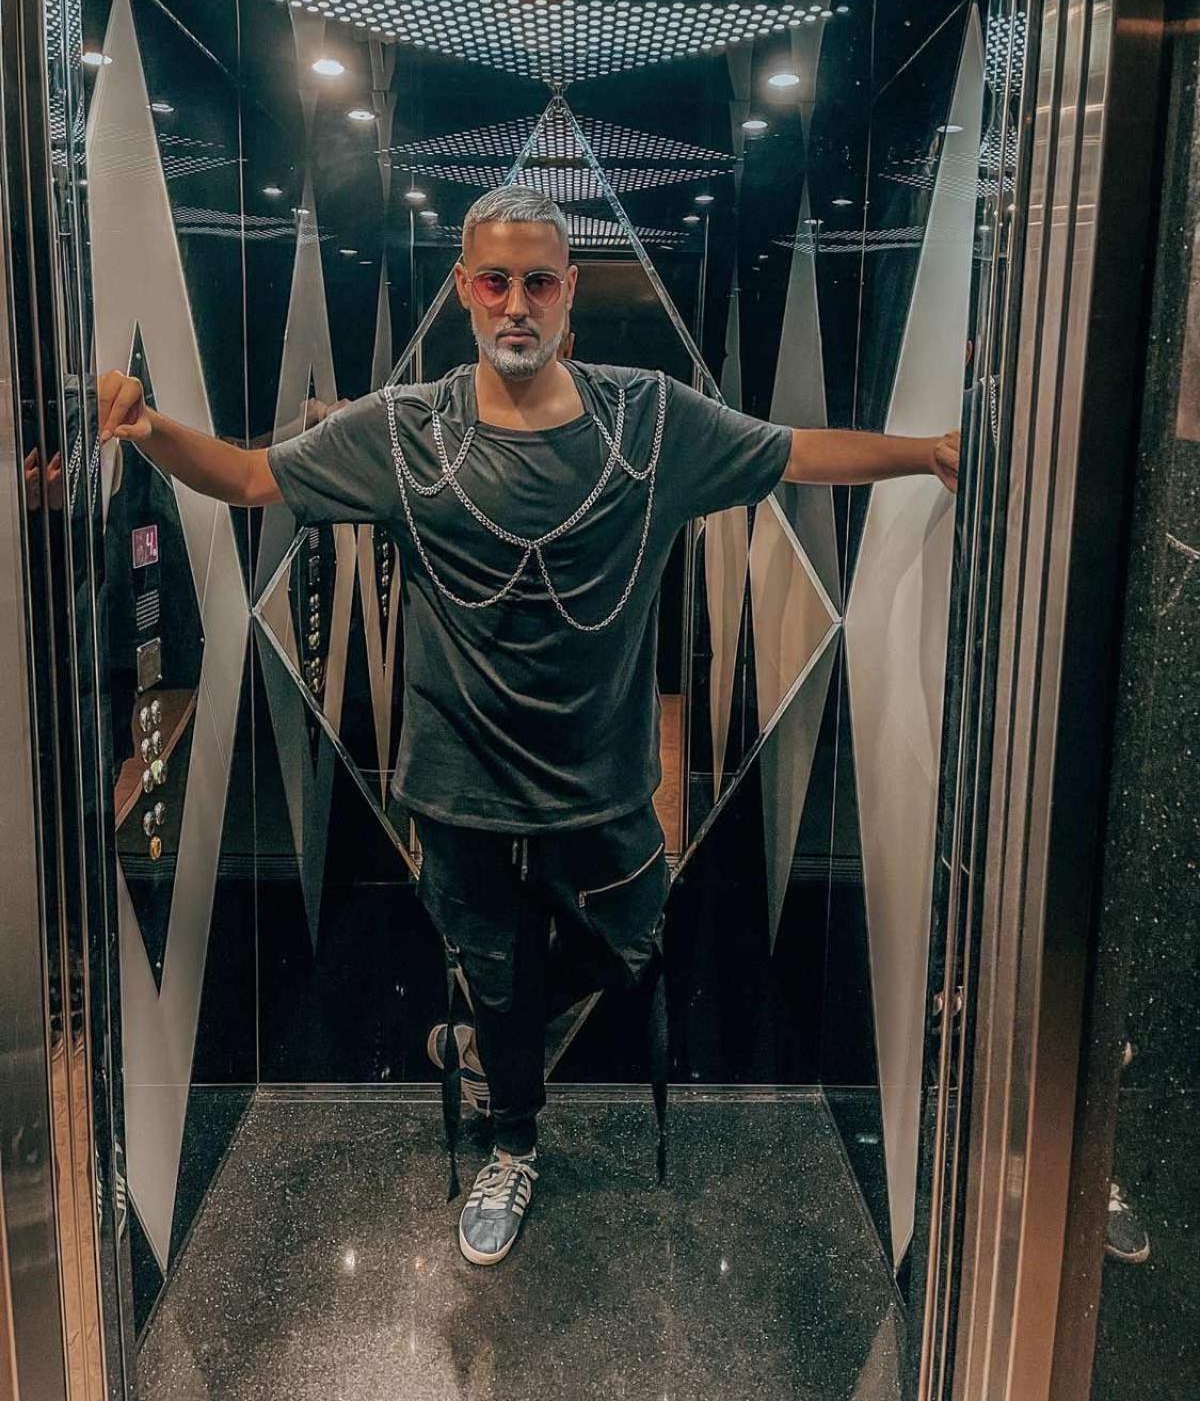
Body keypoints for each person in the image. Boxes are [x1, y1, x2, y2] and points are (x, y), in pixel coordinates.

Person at [97, 185, 960, 1268]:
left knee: (628, 938)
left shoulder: (651, 421)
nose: (517, 304)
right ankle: (513, 1140)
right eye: (497, 281)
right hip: (457, 786)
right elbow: (249, 475)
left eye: (539, 282)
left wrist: (926, 451)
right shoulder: (406, 432)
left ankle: (488, 1042)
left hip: (603, 784)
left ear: (570, 293)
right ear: (465, 288)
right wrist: (150, 429)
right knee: (498, 971)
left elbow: (794, 453)